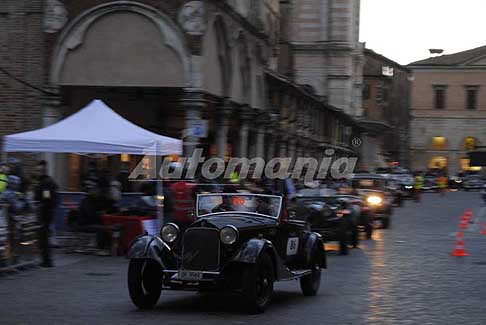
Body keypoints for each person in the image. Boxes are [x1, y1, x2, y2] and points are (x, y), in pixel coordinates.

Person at [34, 160, 58, 267]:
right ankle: (46, 260)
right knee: (44, 237)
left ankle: (47, 261)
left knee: (44, 237)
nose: (37, 172)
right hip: (47, 212)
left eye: (39, 170)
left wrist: (41, 204)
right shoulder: (47, 181)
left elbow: (46, 198)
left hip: (45, 213)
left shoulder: (46, 183)